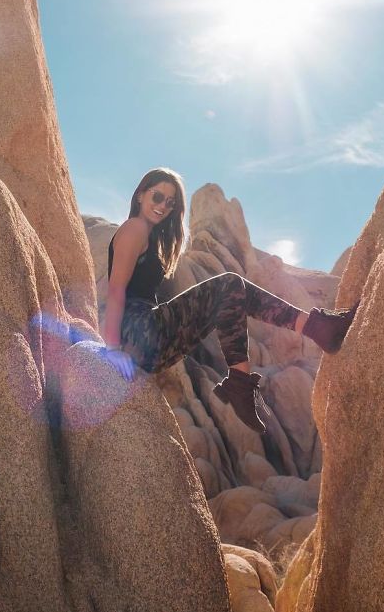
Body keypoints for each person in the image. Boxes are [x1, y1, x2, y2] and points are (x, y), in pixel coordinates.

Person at [101, 167, 358, 432]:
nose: (163, 206)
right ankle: (254, 372)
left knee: (234, 294)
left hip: (146, 338)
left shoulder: (150, 235)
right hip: (137, 330)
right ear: (141, 194)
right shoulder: (134, 228)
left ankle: (314, 330)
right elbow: (116, 289)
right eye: (157, 197)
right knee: (229, 285)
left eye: (170, 202)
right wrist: (112, 348)